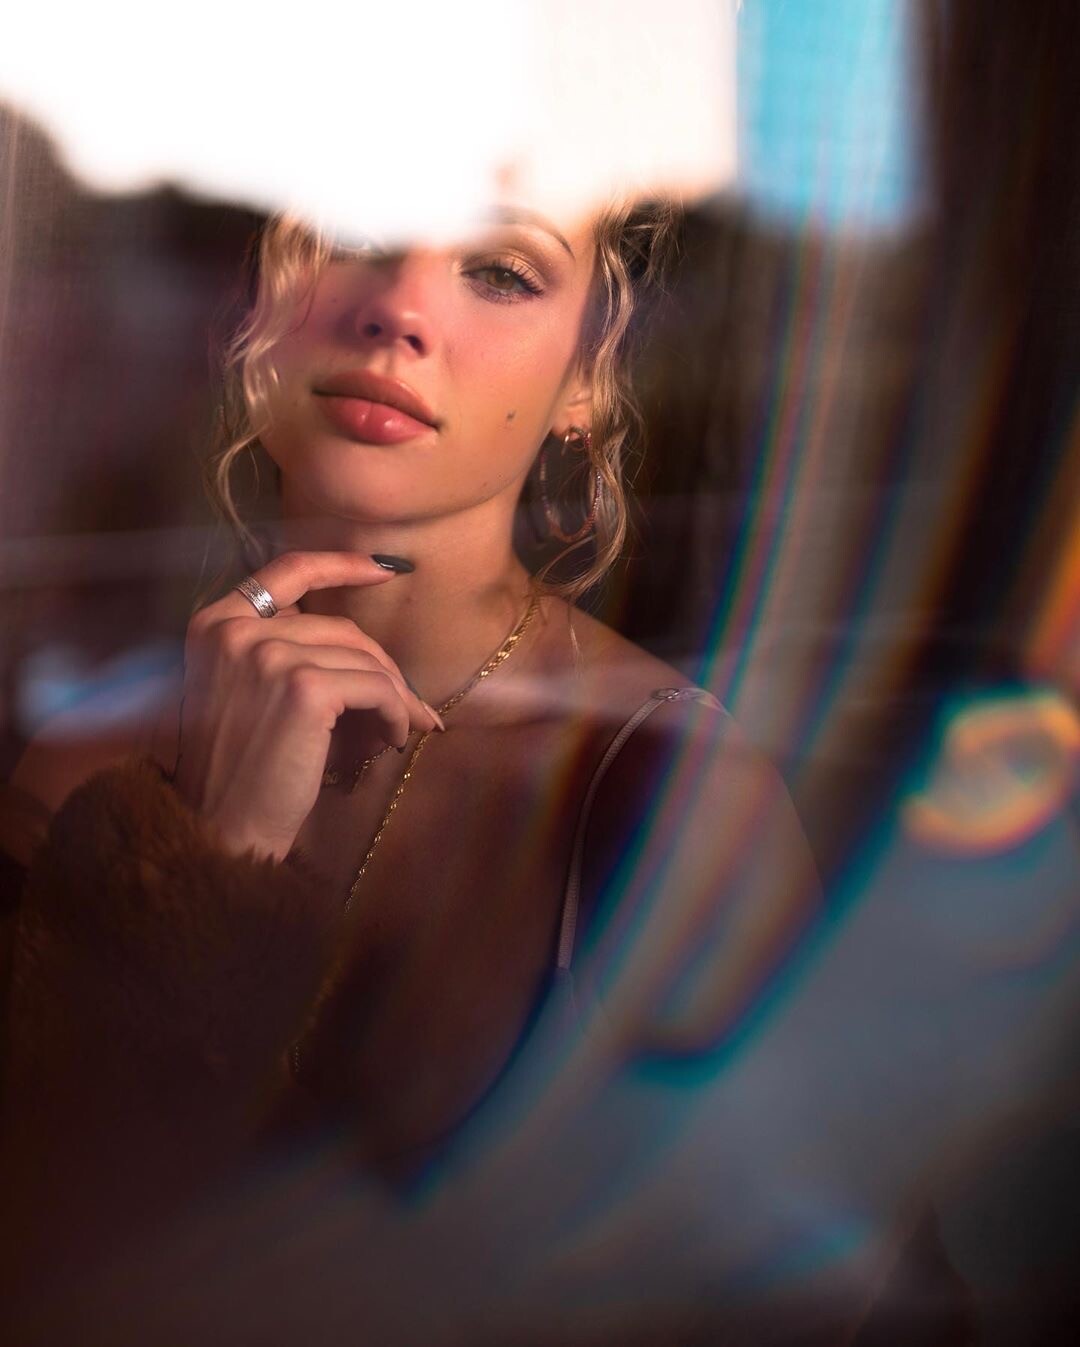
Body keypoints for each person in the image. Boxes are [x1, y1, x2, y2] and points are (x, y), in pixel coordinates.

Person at [1, 201, 960, 1345]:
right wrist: (204, 863)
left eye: (502, 272)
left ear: (585, 381)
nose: (400, 311)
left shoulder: (655, 790)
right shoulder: (76, 768)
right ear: (264, 305)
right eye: (361, 230)